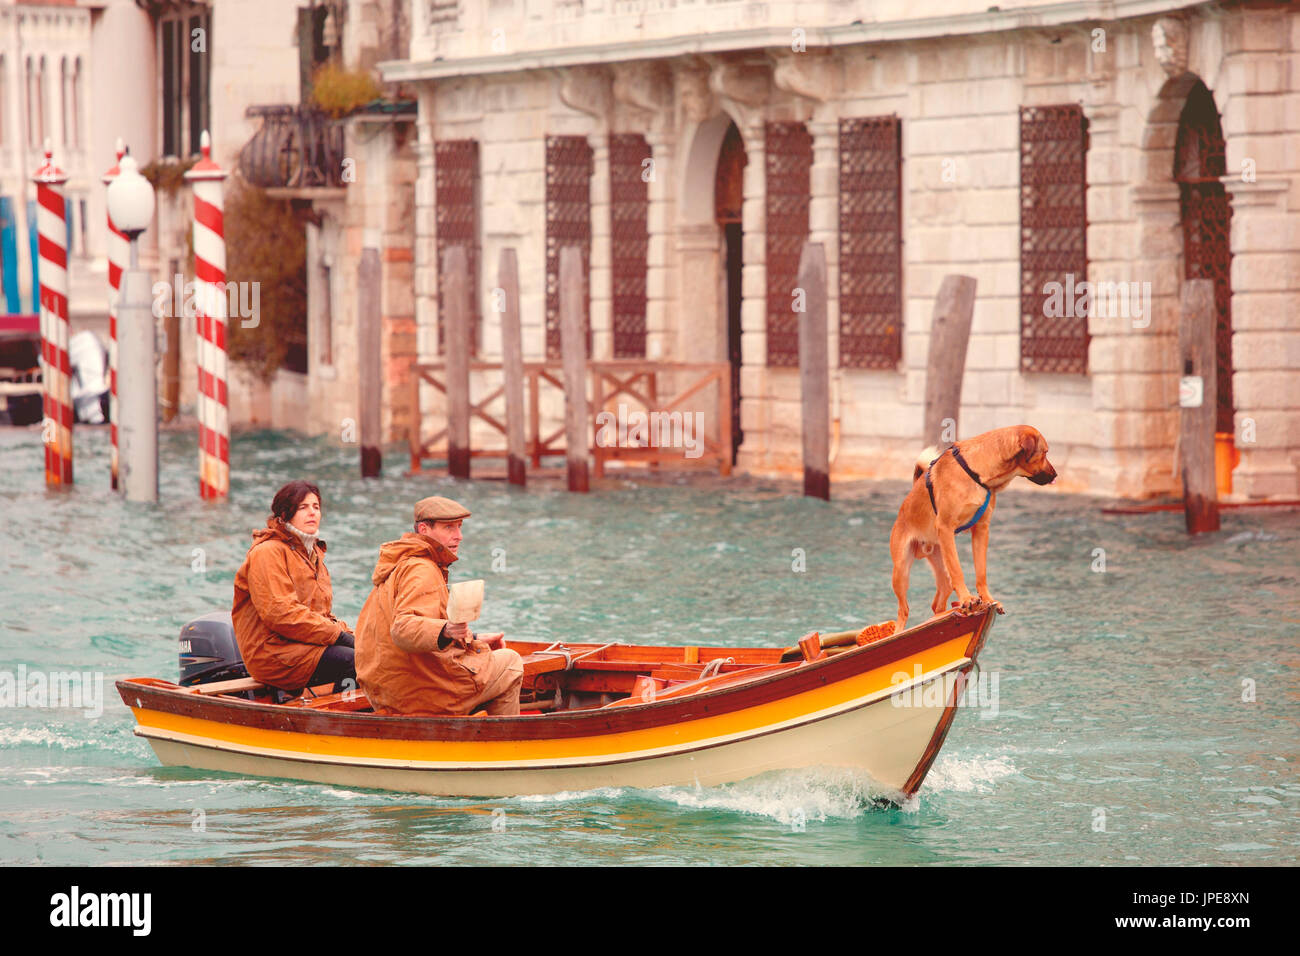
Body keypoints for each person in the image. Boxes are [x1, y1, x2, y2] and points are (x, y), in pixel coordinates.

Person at [355, 496, 523, 716]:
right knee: (510, 662)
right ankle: (502, 742)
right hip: (419, 692)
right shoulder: (422, 569)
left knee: (484, 659)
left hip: (389, 689)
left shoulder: (400, 563)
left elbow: (422, 623)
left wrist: (473, 638)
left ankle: (472, 729)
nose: (459, 536)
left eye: (460, 527)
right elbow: (403, 627)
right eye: (449, 527)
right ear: (424, 529)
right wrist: (446, 630)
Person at [232, 480, 355, 695]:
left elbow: (320, 614)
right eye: (303, 507)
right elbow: (281, 613)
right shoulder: (268, 552)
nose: (312, 513)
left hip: (304, 644)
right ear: (285, 513)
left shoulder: (312, 553)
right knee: (353, 661)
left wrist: (353, 635)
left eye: (316, 507)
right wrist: (338, 636)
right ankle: (333, 717)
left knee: (374, 654)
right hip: (272, 653)